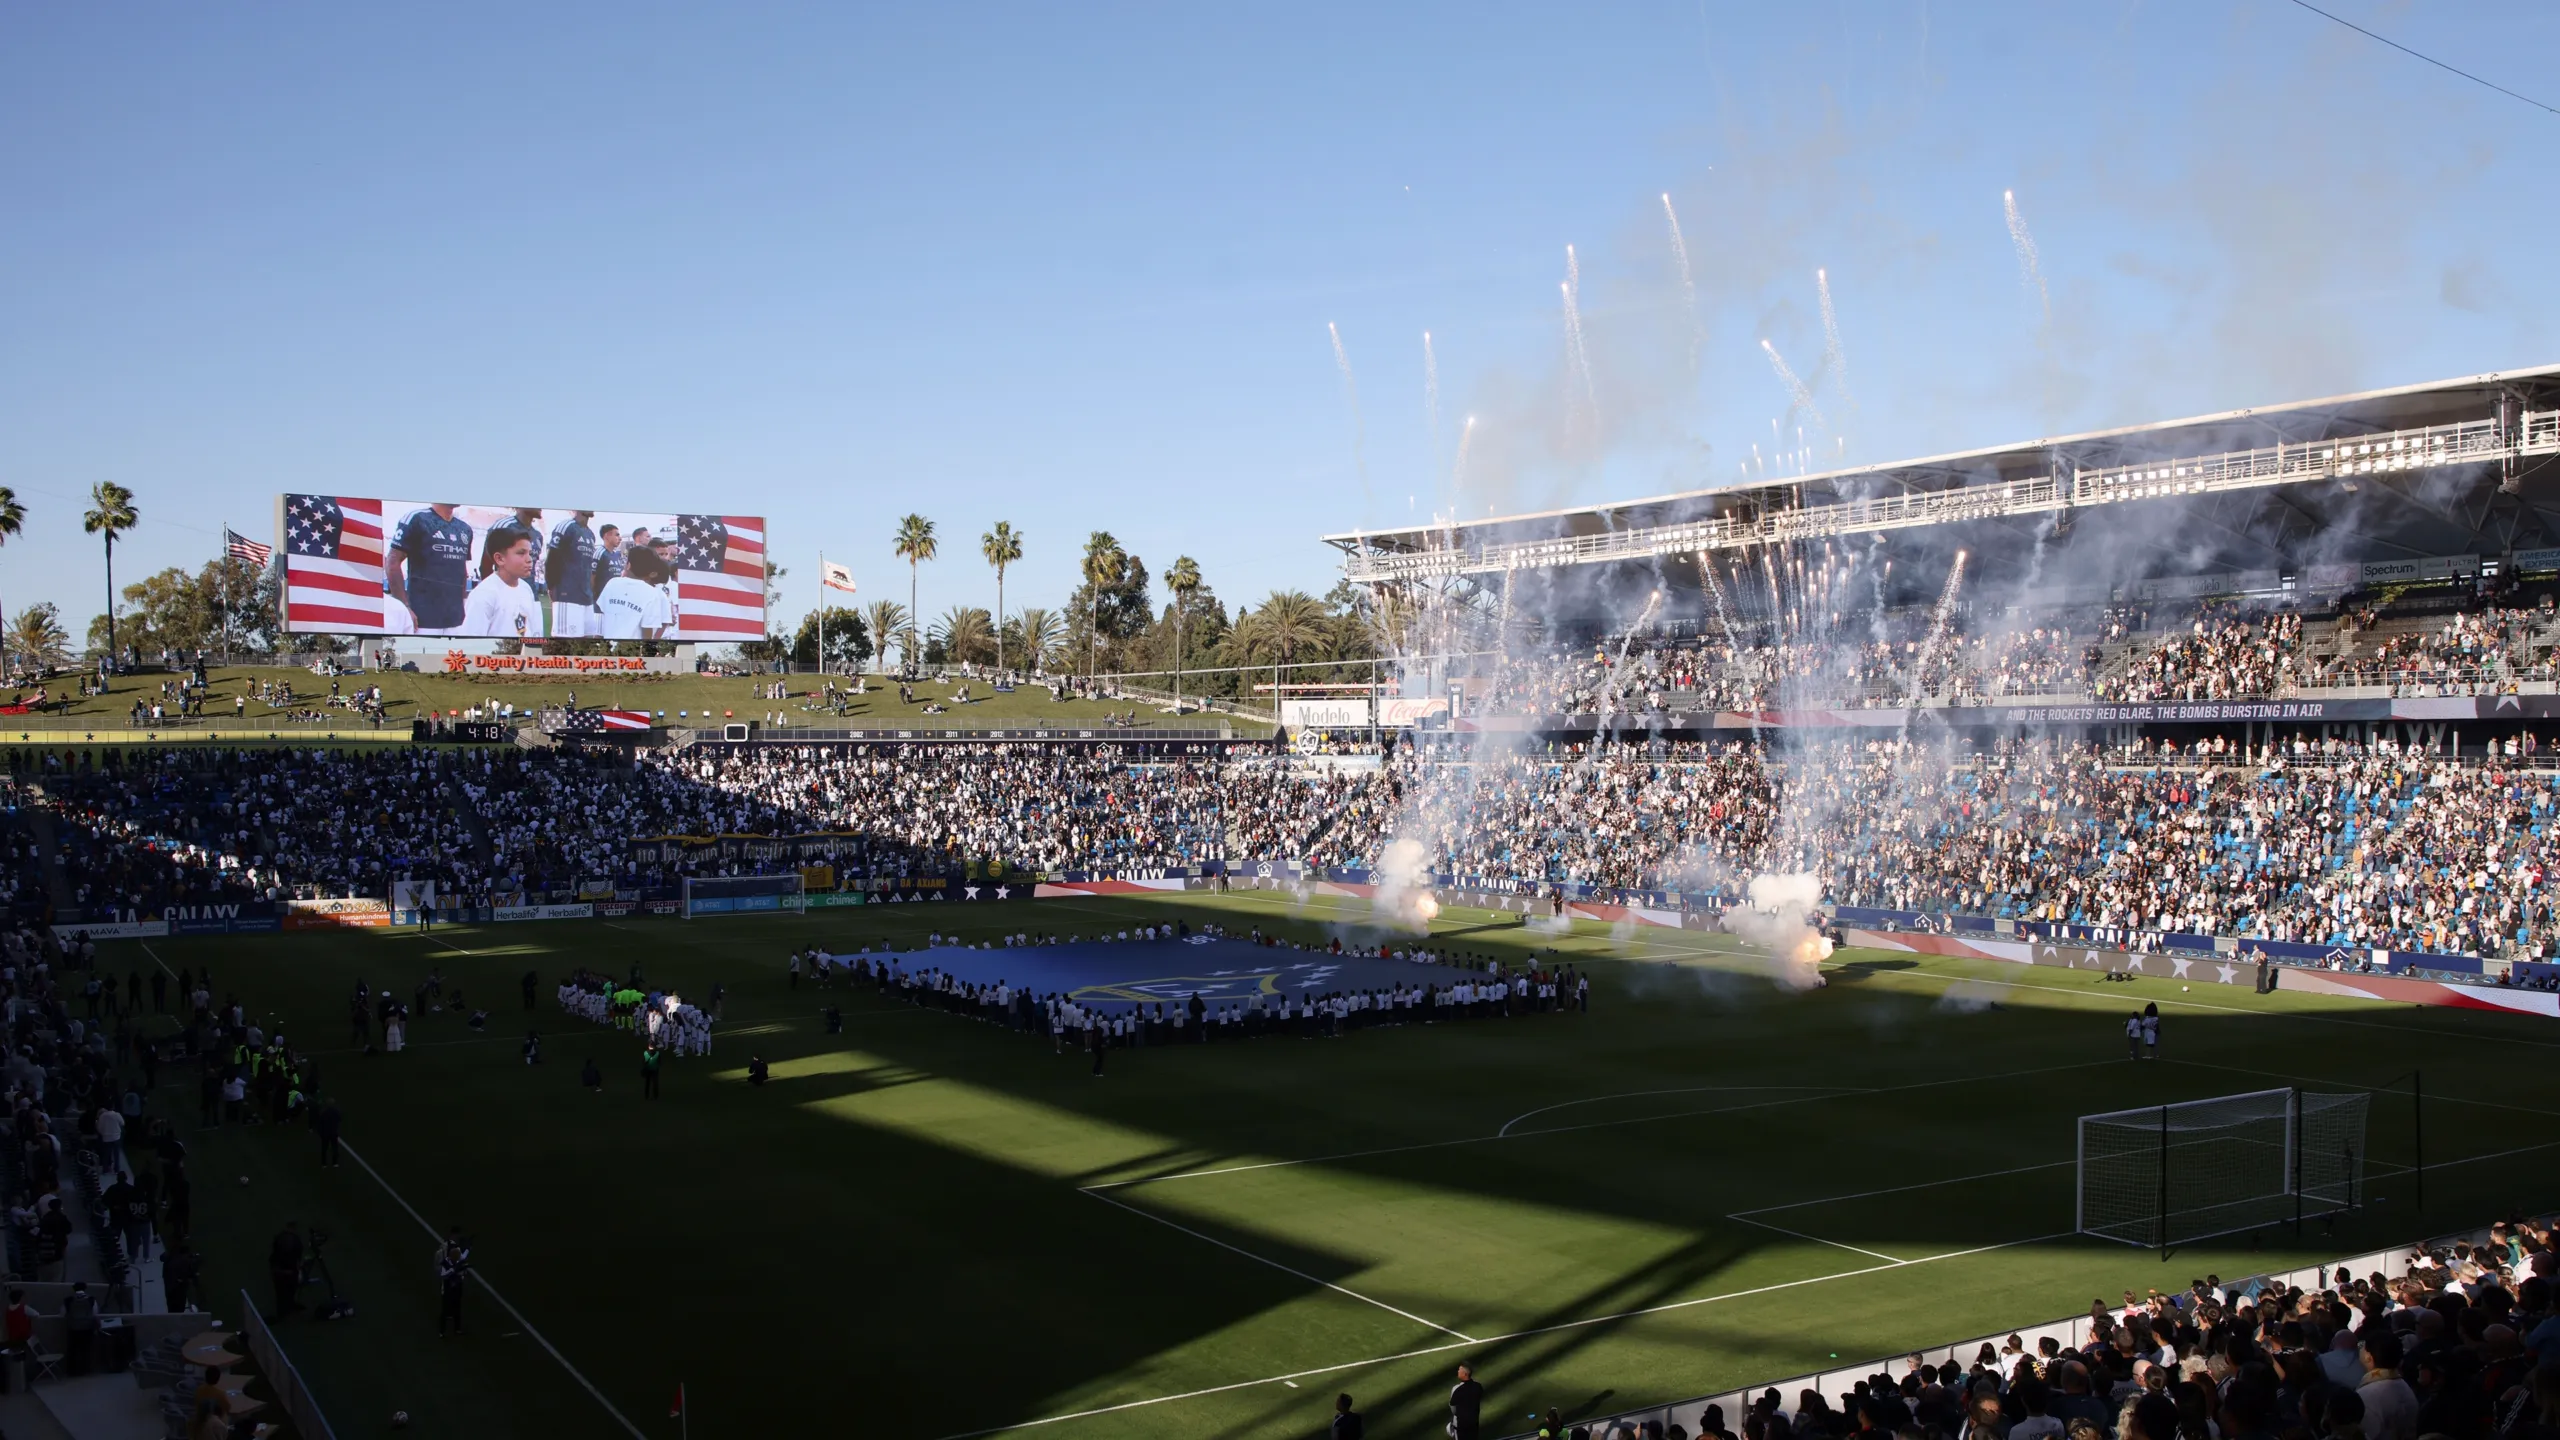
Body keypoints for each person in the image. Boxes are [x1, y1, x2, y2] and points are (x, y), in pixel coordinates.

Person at [388, 503, 474, 635]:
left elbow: (462, 571)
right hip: (422, 620)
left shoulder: (465, 529)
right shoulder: (417, 519)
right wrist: (404, 608)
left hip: (456, 621)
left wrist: (462, 606)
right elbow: (392, 562)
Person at [462, 529, 541, 639]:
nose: (529, 559)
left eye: (530, 553)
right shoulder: (484, 594)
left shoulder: (526, 589)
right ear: (499, 559)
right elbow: (471, 642)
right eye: (521, 553)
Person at [597, 546, 674, 641]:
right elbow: (647, 629)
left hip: (608, 644)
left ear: (628, 565)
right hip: (633, 649)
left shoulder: (612, 583)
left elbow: (603, 612)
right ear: (651, 572)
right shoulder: (652, 593)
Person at [544, 510, 600, 637]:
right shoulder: (566, 527)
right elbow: (552, 559)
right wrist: (551, 586)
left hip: (586, 597)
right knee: (566, 642)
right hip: (567, 595)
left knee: (587, 640)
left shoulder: (590, 534)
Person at [267, 1221, 305, 1321]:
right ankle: (286, 1313)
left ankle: (284, 1311)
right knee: (289, 1291)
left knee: (281, 1292)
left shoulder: (279, 1237)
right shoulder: (296, 1241)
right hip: (289, 1271)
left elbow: (274, 1254)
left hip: (278, 1270)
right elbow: (298, 1256)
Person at [436, 1233, 471, 1338]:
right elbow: (443, 1275)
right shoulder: (446, 1263)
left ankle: (457, 1329)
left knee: (457, 1309)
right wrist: (452, 1271)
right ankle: (442, 1331)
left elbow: (464, 1257)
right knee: (445, 1311)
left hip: (456, 1289)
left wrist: (469, 1248)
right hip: (447, 1290)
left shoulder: (458, 1261)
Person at [61, 1281, 96, 1374]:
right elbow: (95, 1313)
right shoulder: (91, 1299)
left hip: (73, 1328)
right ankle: (86, 1369)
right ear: (85, 1288)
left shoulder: (68, 1300)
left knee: (73, 1349)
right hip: (87, 1328)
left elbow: (62, 1314)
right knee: (86, 1349)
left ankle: (73, 1371)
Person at [162, 1243, 202, 1313]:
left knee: (171, 1306)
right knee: (179, 1308)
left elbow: (162, 1257)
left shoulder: (170, 1257)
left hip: (169, 1286)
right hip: (178, 1288)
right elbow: (190, 1275)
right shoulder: (185, 1262)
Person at [1449, 1362, 1485, 1440]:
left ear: (1465, 1374)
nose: (1458, 1372)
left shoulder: (1456, 1389)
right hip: (1474, 1424)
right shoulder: (1478, 1386)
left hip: (1461, 1426)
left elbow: (1453, 1409)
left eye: (1459, 1370)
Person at [313, 1100, 342, 1168]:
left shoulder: (323, 1112)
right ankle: (335, 1163)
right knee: (334, 1148)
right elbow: (340, 1119)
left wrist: (320, 1132)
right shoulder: (336, 1111)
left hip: (325, 1133)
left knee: (324, 1149)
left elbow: (319, 1122)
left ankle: (324, 1163)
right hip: (333, 1133)